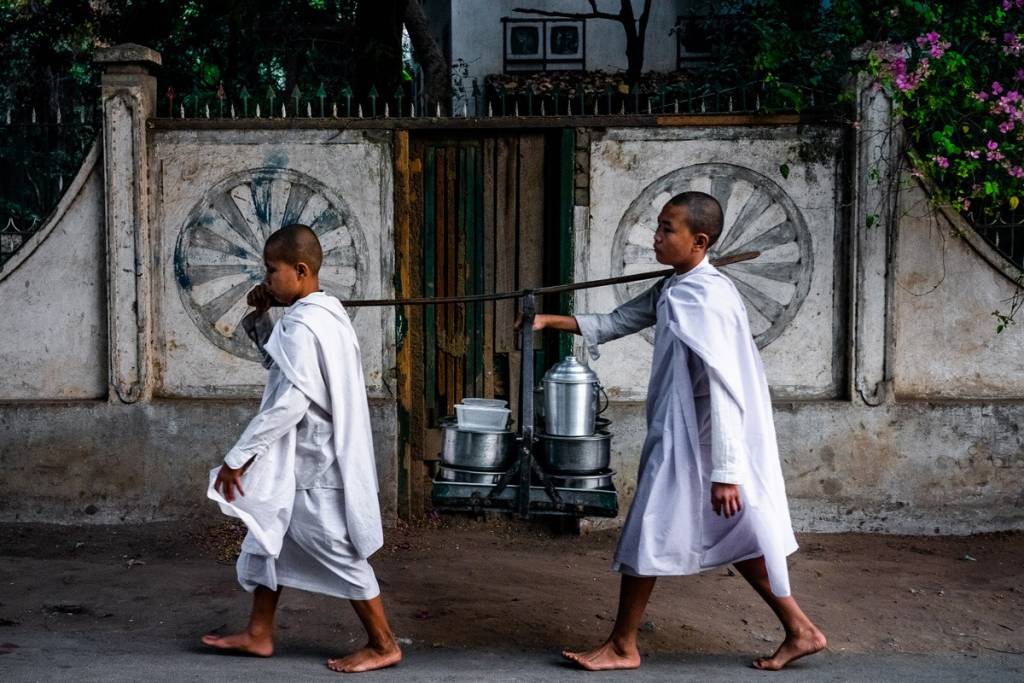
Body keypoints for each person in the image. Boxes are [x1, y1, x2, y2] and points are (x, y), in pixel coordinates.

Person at [531, 192, 826, 671]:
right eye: (659, 226)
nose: (656, 237)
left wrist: (726, 472)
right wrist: (550, 320)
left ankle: (623, 646)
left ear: (700, 241)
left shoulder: (708, 299)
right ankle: (801, 630)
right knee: (743, 536)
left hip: (699, 443)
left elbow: (726, 390)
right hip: (679, 434)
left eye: (668, 229)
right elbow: (616, 321)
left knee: (646, 530)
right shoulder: (678, 286)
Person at [201, 223, 401, 673]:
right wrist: (262, 318)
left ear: (301, 269)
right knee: (268, 538)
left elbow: (289, 403)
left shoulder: (305, 325)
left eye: (273, 271)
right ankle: (258, 633)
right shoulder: (323, 314)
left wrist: (238, 459)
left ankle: (384, 643)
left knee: (336, 549)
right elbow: (284, 368)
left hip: (316, 465)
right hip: (309, 459)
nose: (267, 279)